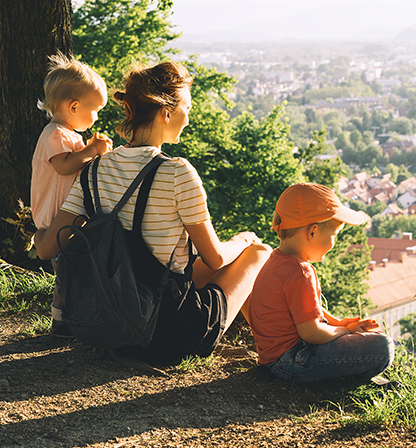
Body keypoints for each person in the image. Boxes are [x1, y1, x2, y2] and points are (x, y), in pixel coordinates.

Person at [34, 61, 271, 364]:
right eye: (187, 107)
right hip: (168, 334)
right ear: (166, 112)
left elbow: (45, 249)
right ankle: (273, 348)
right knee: (259, 252)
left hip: (112, 326)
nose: (189, 116)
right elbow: (215, 258)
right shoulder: (178, 172)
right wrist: (243, 239)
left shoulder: (93, 169)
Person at [247, 183, 395, 383]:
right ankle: (344, 379)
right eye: (334, 235)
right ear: (313, 232)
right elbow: (312, 332)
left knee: (362, 342)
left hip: (274, 360)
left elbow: (307, 311)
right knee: (383, 347)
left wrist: (340, 323)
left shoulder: (277, 261)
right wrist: (347, 331)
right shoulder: (300, 272)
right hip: (293, 362)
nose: (334, 243)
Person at [31, 53, 112, 337]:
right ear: (74, 106)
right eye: (96, 110)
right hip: (57, 216)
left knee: (71, 266)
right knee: (66, 270)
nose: (97, 116)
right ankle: (62, 320)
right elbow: (65, 166)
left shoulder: (68, 135)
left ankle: (69, 315)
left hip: (65, 215)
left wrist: (88, 150)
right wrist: (92, 151)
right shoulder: (55, 134)